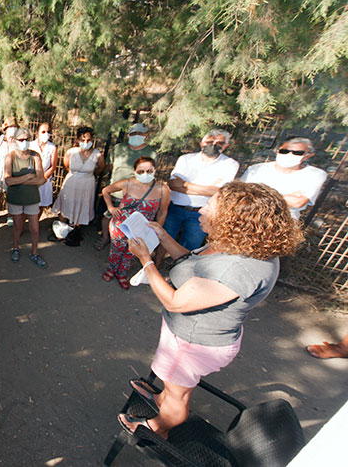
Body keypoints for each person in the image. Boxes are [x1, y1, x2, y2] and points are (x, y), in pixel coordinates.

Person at [119, 182, 303, 438]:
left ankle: (157, 429)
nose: (201, 210)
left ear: (233, 220)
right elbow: (191, 263)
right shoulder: (241, 247)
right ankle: (163, 397)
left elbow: (175, 301)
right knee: (176, 385)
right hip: (191, 336)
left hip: (193, 344)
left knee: (178, 397)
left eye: (211, 207)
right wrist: (163, 237)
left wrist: (145, 260)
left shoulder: (236, 269)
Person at [157, 129, 239, 265]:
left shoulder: (230, 164)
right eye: (210, 141)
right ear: (202, 143)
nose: (213, 145)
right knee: (164, 237)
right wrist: (207, 188)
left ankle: (180, 269)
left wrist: (185, 185)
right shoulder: (185, 159)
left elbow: (219, 192)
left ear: (226, 146)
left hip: (201, 212)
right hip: (175, 207)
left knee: (191, 244)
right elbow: (173, 184)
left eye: (220, 143)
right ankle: (157, 262)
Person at [101, 157, 171, 289]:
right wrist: (110, 207)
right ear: (134, 172)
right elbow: (106, 191)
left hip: (142, 229)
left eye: (149, 170)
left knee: (131, 252)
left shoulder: (163, 189)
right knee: (116, 249)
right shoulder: (127, 183)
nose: (145, 174)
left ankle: (122, 273)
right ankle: (111, 269)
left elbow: (163, 212)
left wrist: (157, 228)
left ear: (155, 170)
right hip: (120, 225)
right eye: (141, 171)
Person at [95, 123, 157, 250]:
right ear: (128, 135)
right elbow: (111, 166)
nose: (136, 136)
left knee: (129, 221)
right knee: (107, 216)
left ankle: (125, 244)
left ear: (147, 135)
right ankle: (105, 238)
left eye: (140, 133)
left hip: (135, 195)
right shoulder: (118, 148)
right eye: (133, 133)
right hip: (113, 191)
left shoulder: (150, 152)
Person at [241, 137, 327, 219]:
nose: (289, 155)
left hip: (284, 221)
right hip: (246, 215)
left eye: (297, 153)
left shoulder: (315, 174)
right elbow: (238, 195)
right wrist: (286, 197)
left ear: (308, 156)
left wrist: (255, 195)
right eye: (284, 151)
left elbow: (298, 202)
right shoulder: (256, 169)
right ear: (278, 151)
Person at [52, 126, 105, 245]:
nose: (85, 143)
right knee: (66, 206)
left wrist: (88, 175)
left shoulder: (97, 154)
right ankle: (61, 232)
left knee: (82, 206)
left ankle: (75, 233)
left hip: (87, 184)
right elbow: (66, 166)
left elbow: (101, 168)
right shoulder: (71, 152)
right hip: (71, 182)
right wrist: (77, 175)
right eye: (83, 140)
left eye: (88, 140)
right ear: (77, 140)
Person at [4, 128, 47, 268]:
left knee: (35, 228)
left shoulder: (35, 156)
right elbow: (8, 181)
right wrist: (29, 176)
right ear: (15, 141)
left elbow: (41, 179)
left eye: (27, 139)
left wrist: (19, 180)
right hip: (15, 198)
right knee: (17, 226)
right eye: (21, 139)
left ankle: (34, 252)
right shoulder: (10, 156)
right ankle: (16, 248)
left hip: (32, 198)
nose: (24, 142)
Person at [0, 118, 18, 224]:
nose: (13, 129)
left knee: (10, 195)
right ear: (6, 129)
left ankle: (10, 216)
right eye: (11, 127)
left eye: (15, 127)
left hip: (12, 173)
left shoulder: (17, 142)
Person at [31, 123, 58, 218]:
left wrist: (42, 179)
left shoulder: (52, 147)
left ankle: (36, 222)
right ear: (37, 133)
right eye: (43, 131)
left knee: (41, 203)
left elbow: (53, 166)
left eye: (48, 132)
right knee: (29, 203)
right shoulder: (31, 145)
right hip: (31, 178)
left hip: (45, 179)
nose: (46, 134)